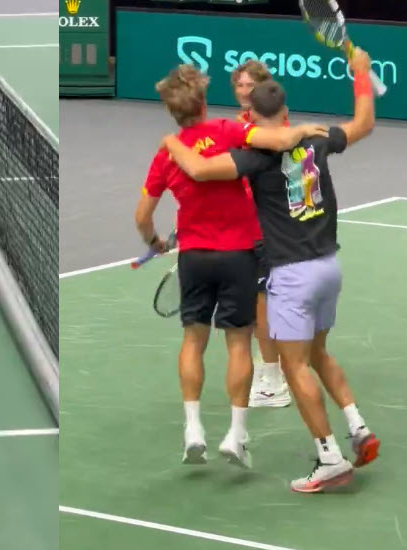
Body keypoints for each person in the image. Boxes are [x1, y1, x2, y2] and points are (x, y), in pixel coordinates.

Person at [160, 49, 380, 492]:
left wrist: (170, 142)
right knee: (319, 354)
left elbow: (200, 169)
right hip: (328, 267)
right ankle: (357, 427)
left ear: (252, 116)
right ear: (286, 109)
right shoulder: (317, 139)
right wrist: (361, 75)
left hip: (292, 276)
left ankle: (330, 457)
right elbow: (364, 124)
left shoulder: (254, 157)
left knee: (295, 367)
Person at [134, 64, 327, 469]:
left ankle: (193, 429)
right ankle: (237, 436)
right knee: (238, 343)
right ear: (202, 102)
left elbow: (143, 216)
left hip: (194, 258)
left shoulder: (167, 153)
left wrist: (154, 242)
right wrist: (303, 131)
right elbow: (275, 139)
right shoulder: (226, 130)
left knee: (192, 341)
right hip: (239, 254)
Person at [231, 60, 290, 407]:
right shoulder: (246, 126)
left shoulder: (269, 128)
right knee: (261, 305)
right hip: (246, 225)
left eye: (250, 85)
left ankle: (272, 380)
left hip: (265, 227)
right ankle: (276, 370)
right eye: (239, 85)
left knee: (262, 305)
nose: (243, 91)